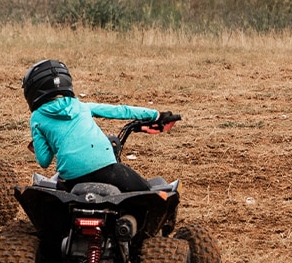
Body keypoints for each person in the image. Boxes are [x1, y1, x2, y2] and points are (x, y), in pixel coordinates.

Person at [22, 59, 177, 193]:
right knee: (147, 192)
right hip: (107, 168)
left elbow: (44, 161)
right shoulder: (81, 106)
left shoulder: (37, 118)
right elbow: (119, 111)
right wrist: (157, 115)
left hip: (71, 179)